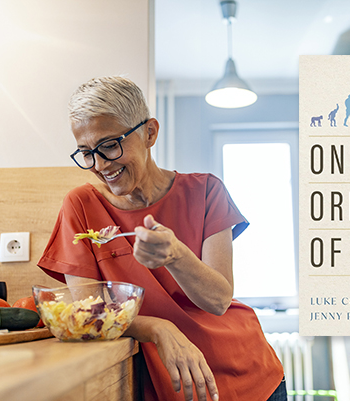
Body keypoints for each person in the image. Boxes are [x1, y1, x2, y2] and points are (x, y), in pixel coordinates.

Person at [37, 76, 285, 401]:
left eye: (110, 145)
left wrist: (176, 255)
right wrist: (158, 328)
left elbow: (219, 300)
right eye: (86, 152)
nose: (99, 165)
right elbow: (91, 313)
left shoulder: (207, 191)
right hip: (175, 383)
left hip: (251, 374)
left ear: (149, 133)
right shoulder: (81, 207)